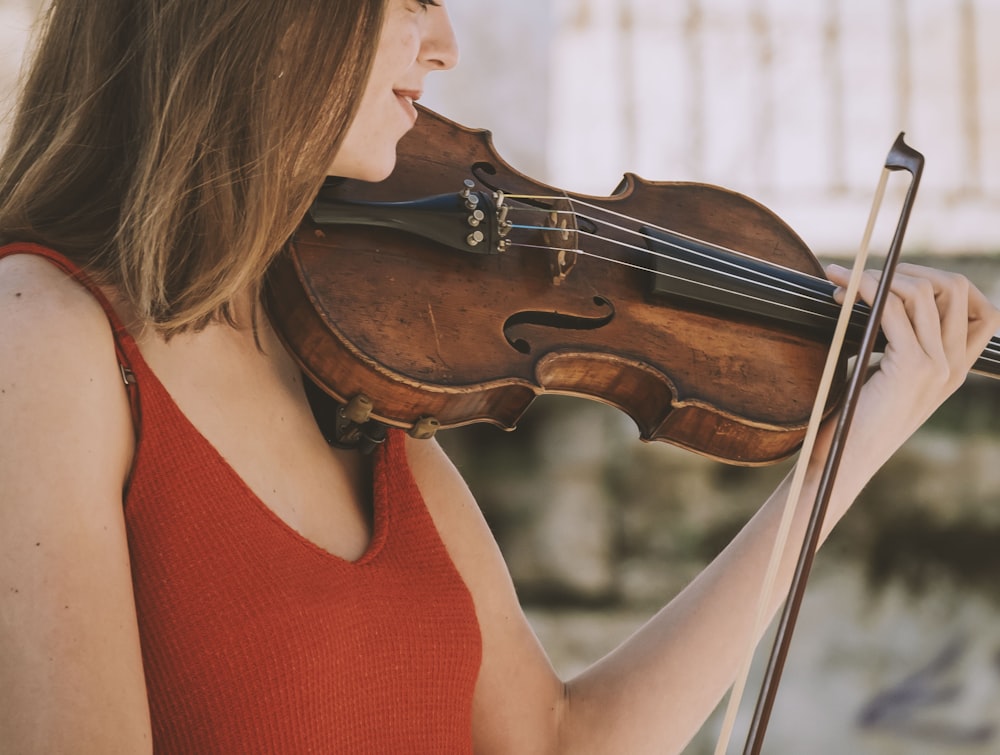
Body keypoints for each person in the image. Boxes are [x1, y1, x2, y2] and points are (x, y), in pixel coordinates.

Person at [0, 1, 996, 753]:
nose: (444, 48)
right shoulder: (47, 337)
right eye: (409, 1)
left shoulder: (342, 351)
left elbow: (557, 737)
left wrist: (847, 446)